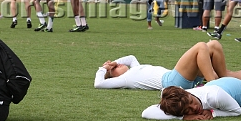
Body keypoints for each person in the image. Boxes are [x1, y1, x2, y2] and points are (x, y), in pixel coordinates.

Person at [94, 41, 230, 90]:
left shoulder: (135, 67)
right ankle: (216, 87)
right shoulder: (124, 80)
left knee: (213, 45)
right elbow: (98, 84)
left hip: (181, 79)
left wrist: (114, 63)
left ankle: (223, 80)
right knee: (201, 46)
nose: (116, 66)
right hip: (172, 81)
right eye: (114, 70)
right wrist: (103, 69)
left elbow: (130, 58)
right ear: (113, 77)